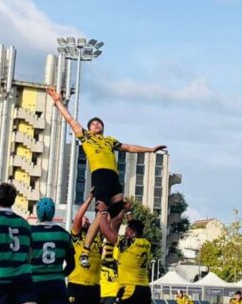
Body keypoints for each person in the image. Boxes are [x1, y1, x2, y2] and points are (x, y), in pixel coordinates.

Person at [47, 86, 166, 266]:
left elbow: (129, 147)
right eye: (93, 124)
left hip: (113, 178)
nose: (96, 125)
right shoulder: (86, 137)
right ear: (89, 128)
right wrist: (58, 102)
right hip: (100, 175)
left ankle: (109, 253)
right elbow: (70, 120)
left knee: (118, 215)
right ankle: (85, 251)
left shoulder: (109, 141)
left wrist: (150, 150)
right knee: (100, 214)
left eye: (99, 123)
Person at [66, 195, 103, 304]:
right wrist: (90, 197)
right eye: (83, 220)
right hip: (75, 285)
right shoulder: (75, 238)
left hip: (94, 287)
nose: (86, 220)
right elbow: (79, 217)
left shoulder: (96, 238)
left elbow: (102, 219)